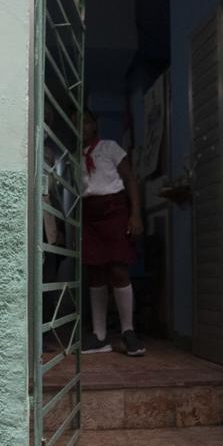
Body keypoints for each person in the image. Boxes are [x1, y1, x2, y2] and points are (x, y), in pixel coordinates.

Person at [81, 111, 145, 357]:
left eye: (86, 120)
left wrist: (135, 214)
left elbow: (130, 179)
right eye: (77, 122)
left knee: (118, 269)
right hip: (89, 215)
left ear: (95, 124)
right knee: (95, 271)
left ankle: (128, 331)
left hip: (115, 210)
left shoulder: (110, 147)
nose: (82, 126)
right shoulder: (75, 156)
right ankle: (99, 336)